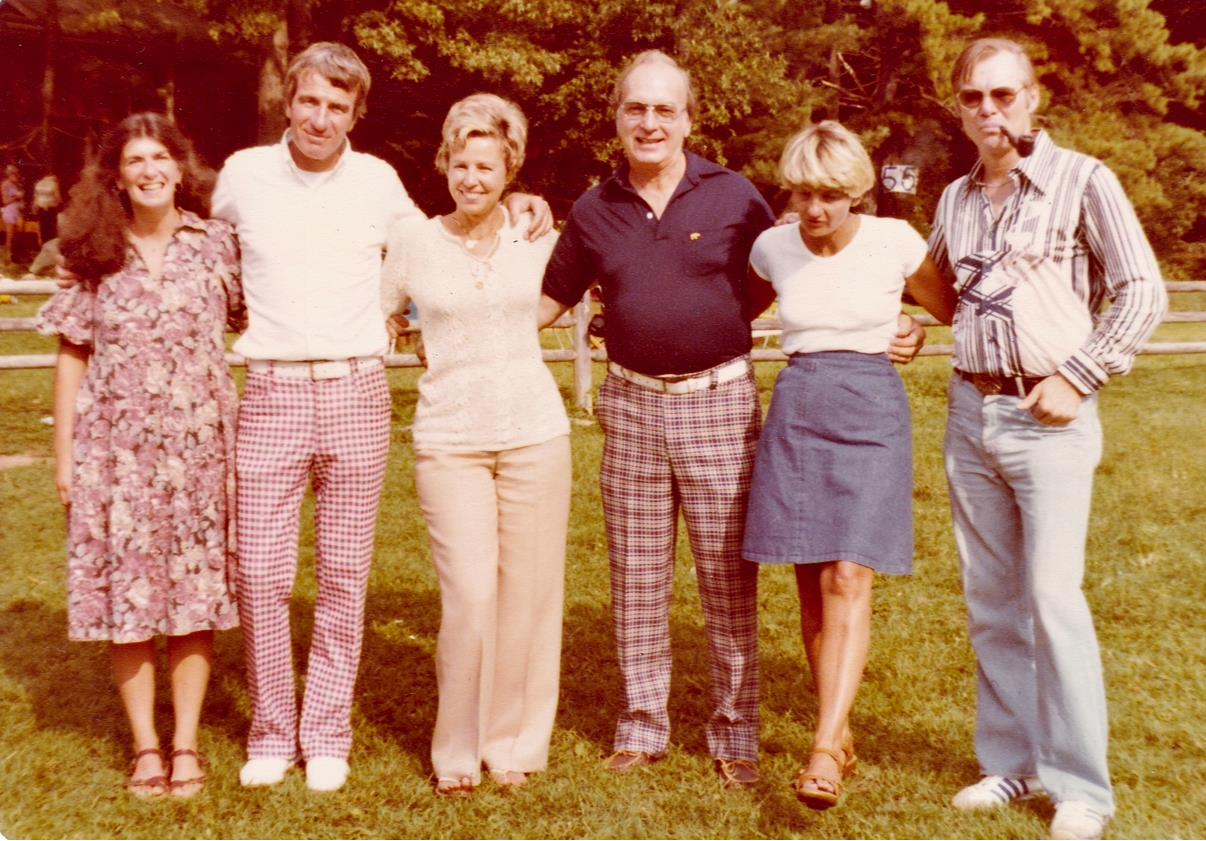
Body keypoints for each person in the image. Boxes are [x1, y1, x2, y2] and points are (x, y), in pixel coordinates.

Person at [538, 50, 925, 789]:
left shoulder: (736, 196)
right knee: (637, 572)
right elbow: (550, 296)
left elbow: (780, 277)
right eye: (635, 109)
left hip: (718, 400)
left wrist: (899, 328)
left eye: (665, 109)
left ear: (688, 118)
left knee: (727, 575)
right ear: (617, 117)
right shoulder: (594, 208)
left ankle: (736, 732)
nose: (649, 122)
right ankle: (641, 726)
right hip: (630, 402)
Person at [211, 41, 552, 793]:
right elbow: (209, 253)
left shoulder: (378, 183)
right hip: (270, 389)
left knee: (342, 573)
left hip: (357, 392)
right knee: (261, 574)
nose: (320, 118)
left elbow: (451, 226)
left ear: (355, 114)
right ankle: (272, 726)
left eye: (338, 107)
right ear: (288, 102)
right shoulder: (241, 177)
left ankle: (326, 728)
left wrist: (523, 198)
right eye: (309, 101)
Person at [928, 38, 1167, 840]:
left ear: (1033, 97)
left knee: (1054, 598)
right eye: (973, 98)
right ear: (958, 107)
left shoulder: (1083, 180)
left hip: (1050, 420)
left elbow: (1142, 291)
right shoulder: (955, 199)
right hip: (972, 414)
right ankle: (1012, 762)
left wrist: (1080, 374)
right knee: (992, 600)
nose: (989, 112)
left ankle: (1080, 788)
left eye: (1004, 95)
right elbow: (943, 291)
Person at [740, 121, 955, 809]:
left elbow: (946, 305)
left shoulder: (894, 240)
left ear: (857, 191)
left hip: (870, 409)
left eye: (831, 194)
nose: (816, 209)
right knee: (812, 582)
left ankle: (824, 748)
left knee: (849, 570)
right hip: (800, 404)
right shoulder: (771, 247)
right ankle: (840, 726)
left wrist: (916, 326)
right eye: (804, 192)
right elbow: (729, 308)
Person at [38, 112, 243, 800]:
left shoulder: (217, 245)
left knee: (191, 597)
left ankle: (185, 742)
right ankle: (145, 748)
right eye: (135, 160)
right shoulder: (95, 251)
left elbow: (257, 316)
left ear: (181, 166)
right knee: (126, 598)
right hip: (115, 454)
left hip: (199, 453)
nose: (150, 169)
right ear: (117, 176)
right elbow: (71, 356)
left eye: (161, 156)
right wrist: (64, 457)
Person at [381, 93, 571, 798]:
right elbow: (381, 314)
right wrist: (403, 329)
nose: (471, 178)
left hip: (535, 434)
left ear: (509, 170)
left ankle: (514, 742)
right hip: (450, 439)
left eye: (486, 166)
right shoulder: (413, 242)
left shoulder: (536, 235)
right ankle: (456, 751)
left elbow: (581, 284)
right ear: (445, 166)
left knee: (527, 593)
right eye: (460, 164)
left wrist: (539, 206)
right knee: (467, 595)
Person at [2, 163, 24, 262]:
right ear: (9, 174)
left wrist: (22, 201)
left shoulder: (18, 184)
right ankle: (8, 258)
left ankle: (16, 256)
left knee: (18, 235)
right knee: (10, 236)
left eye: (17, 174)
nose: (16, 176)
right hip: (9, 211)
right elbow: (5, 201)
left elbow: (21, 198)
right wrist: (16, 197)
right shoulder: (4, 185)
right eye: (14, 174)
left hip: (18, 211)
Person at [33, 172, 61, 243]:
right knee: (52, 231)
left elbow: (35, 198)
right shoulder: (53, 184)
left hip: (41, 208)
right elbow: (58, 198)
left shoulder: (38, 184)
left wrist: (35, 207)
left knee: (42, 230)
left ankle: (43, 247)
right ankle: (51, 248)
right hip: (50, 209)